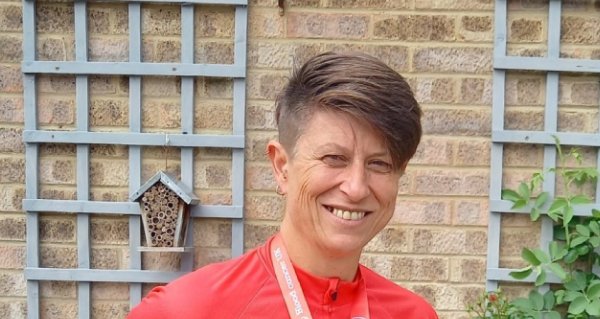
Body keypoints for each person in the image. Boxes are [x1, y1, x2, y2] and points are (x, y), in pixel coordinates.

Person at [127, 52, 438, 318]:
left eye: (379, 164)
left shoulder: (414, 314)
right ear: (281, 167)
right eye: (334, 158)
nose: (356, 188)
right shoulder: (187, 310)